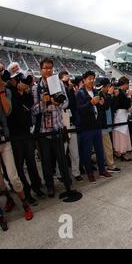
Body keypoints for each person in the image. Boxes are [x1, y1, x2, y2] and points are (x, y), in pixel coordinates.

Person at [32, 58, 78, 201]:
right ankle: (50, 186)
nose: (48, 71)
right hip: (43, 130)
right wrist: (43, 102)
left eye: (50, 68)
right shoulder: (36, 88)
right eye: (45, 68)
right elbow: (33, 111)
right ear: (40, 69)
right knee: (46, 161)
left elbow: (66, 103)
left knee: (62, 159)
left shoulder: (57, 83)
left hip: (57, 127)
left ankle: (68, 184)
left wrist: (58, 102)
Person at [0, 62, 34, 220]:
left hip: (5, 138)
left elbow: (8, 111)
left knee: (13, 176)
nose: (1, 76)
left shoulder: (6, 91)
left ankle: (25, 204)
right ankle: (9, 199)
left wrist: (1, 90)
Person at [6, 63, 45, 205]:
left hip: (26, 132)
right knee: (20, 166)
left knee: (31, 162)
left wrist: (24, 91)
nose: (20, 81)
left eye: (20, 77)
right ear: (11, 79)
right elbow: (12, 112)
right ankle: (27, 193)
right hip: (15, 135)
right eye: (17, 78)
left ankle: (37, 187)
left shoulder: (25, 92)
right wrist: (19, 92)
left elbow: (30, 105)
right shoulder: (8, 91)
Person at [76, 71, 112, 183]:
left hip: (97, 125)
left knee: (99, 150)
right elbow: (79, 109)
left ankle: (102, 170)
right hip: (86, 127)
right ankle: (90, 173)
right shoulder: (80, 93)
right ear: (84, 80)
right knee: (87, 152)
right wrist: (90, 103)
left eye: (93, 78)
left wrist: (102, 104)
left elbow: (103, 108)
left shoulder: (96, 91)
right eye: (89, 79)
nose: (91, 81)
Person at [59, 71, 82, 182]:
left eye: (68, 80)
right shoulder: (57, 91)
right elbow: (62, 104)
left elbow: (73, 104)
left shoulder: (71, 90)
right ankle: (60, 174)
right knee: (62, 152)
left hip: (72, 123)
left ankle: (76, 172)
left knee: (74, 151)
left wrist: (70, 89)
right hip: (62, 124)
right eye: (64, 80)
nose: (67, 82)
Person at [96, 78, 120, 173]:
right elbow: (105, 107)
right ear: (105, 86)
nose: (110, 88)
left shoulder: (106, 94)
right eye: (109, 86)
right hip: (103, 124)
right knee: (107, 146)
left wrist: (114, 96)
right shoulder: (99, 94)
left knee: (106, 146)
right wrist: (110, 95)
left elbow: (112, 106)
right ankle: (110, 165)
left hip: (108, 123)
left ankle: (107, 163)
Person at [112, 77, 132, 161]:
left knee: (121, 134)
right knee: (121, 134)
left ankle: (121, 152)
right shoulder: (120, 92)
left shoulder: (121, 92)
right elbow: (126, 105)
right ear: (124, 84)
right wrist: (129, 97)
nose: (128, 86)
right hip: (120, 115)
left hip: (121, 115)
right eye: (128, 84)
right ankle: (120, 152)